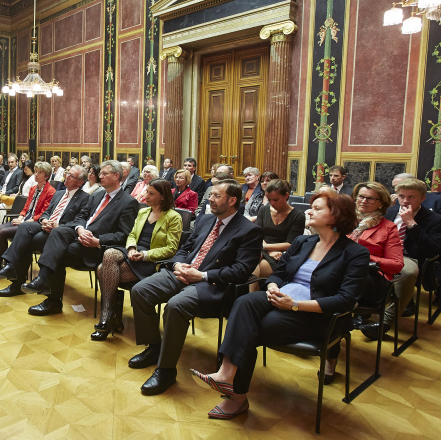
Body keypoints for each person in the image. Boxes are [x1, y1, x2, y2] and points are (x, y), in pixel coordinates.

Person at [190, 191, 368, 420]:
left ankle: (236, 397)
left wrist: (295, 305)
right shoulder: (303, 242)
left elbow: (346, 299)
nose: (309, 211)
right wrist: (273, 286)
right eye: (311, 206)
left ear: (337, 215)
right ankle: (225, 375)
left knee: (252, 329)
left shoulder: (355, 253)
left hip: (316, 315)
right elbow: (279, 273)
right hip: (280, 299)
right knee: (243, 303)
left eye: (318, 208)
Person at [128, 180, 262, 396]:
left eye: (217, 195)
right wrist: (178, 263)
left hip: (212, 285)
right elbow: (185, 248)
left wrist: (202, 275)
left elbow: (240, 271)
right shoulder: (206, 220)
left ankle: (166, 370)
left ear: (232, 200)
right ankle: (154, 347)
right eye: (211, 195)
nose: (210, 198)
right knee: (140, 291)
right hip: (182, 272)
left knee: (175, 306)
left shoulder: (249, 230)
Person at [21, 161, 140, 315]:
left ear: (117, 176)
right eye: (100, 173)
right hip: (80, 234)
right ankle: (43, 282)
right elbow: (82, 216)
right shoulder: (97, 195)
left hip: (95, 246)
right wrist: (80, 228)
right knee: (58, 232)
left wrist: (98, 241)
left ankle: (52, 300)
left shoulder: (128, 202)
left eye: (105, 174)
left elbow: (124, 235)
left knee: (57, 252)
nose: (100, 176)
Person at [91, 179, 182, 340]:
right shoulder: (143, 212)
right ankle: (108, 315)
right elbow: (132, 235)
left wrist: (145, 255)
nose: (145, 195)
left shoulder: (173, 217)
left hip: (150, 260)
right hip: (133, 253)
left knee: (101, 270)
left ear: (162, 196)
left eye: (151, 193)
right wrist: (132, 248)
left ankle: (110, 317)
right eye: (146, 191)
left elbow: (171, 249)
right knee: (110, 253)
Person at [0, 166, 91, 297]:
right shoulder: (60, 193)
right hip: (44, 225)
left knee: (25, 242)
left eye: (71, 176)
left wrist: (58, 225)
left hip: (60, 232)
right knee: (24, 227)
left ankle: (17, 283)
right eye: (67, 173)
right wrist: (44, 220)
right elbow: (47, 212)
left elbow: (79, 220)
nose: (66, 176)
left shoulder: (85, 198)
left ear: (80, 182)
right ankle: (11, 265)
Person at [364, 178, 441, 338]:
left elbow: (432, 250)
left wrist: (412, 224)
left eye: (411, 197)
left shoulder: (434, 220)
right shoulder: (390, 212)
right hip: (382, 252)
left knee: (407, 272)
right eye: (401, 196)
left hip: (409, 257)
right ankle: (360, 311)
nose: (405, 201)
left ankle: (385, 322)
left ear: (422, 198)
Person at [345, 182, 403, 339]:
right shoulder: (344, 221)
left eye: (370, 199)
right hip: (343, 272)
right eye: (361, 197)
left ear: (381, 204)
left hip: (373, 277)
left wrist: (363, 255)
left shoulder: (388, 228)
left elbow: (396, 265)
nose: (363, 201)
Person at [0, 162, 56, 277]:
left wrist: (23, 221)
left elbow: (43, 213)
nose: (36, 174)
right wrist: (20, 217)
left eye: (40, 172)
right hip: (24, 219)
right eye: (36, 171)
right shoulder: (33, 188)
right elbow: (26, 207)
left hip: (33, 223)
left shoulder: (51, 191)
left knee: (2, 232)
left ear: (46, 176)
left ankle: (2, 265)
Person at [254, 179, 306, 280]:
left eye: (275, 200)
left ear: (286, 196)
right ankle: (251, 294)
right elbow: (257, 234)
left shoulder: (298, 216)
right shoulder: (264, 210)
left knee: (258, 265)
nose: (272, 203)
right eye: (269, 200)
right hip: (262, 249)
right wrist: (268, 250)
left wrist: (265, 247)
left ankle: (249, 294)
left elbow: (291, 244)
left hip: (281, 254)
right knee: (253, 259)